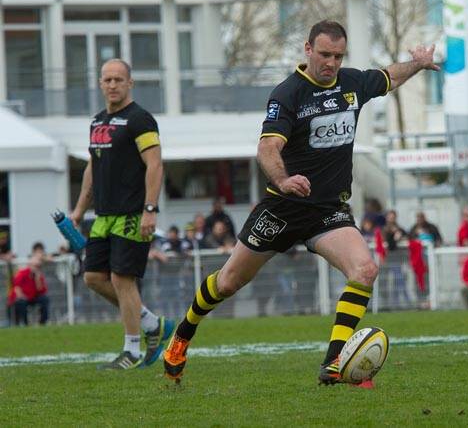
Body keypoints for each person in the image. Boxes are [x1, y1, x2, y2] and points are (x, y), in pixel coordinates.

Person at [163, 19, 439, 385]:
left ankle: (333, 363)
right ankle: (183, 333)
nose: (332, 63)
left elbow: (389, 76)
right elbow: (268, 147)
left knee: (364, 270)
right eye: (325, 54)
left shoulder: (352, 83)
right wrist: (282, 179)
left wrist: (418, 63)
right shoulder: (288, 93)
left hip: (329, 212)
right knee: (228, 282)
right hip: (284, 208)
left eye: (338, 56)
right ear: (308, 49)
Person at [70, 58, 174, 370]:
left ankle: (131, 351)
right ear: (100, 83)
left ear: (130, 83)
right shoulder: (97, 122)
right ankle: (152, 324)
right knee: (92, 277)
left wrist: (150, 209)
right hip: (103, 215)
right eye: (107, 79)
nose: (113, 85)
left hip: (132, 214)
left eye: (118, 79)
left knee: (121, 279)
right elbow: (92, 167)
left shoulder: (140, 119)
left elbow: (155, 165)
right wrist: (79, 210)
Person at [10, 254, 50, 325]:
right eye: (35, 266)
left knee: (45, 299)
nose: (36, 268)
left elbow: (41, 290)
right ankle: (25, 323)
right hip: (23, 297)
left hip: (34, 297)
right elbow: (16, 287)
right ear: (30, 265)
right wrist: (22, 296)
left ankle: (42, 322)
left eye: (38, 266)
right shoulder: (22, 273)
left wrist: (37, 279)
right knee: (21, 302)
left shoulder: (39, 275)